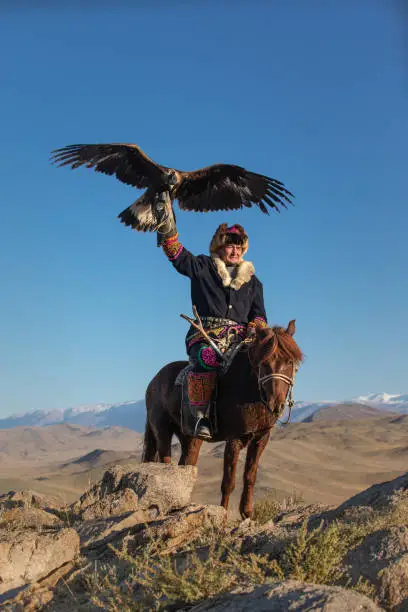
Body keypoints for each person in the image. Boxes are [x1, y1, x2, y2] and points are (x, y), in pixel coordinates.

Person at [156, 206, 268, 440]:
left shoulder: (254, 282)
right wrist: (168, 229)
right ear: (219, 247)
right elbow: (178, 257)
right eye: (230, 246)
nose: (235, 251)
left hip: (240, 339)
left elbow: (259, 315)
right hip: (206, 335)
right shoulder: (204, 266)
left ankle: (260, 414)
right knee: (207, 358)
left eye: (239, 247)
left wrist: (255, 327)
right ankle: (199, 417)